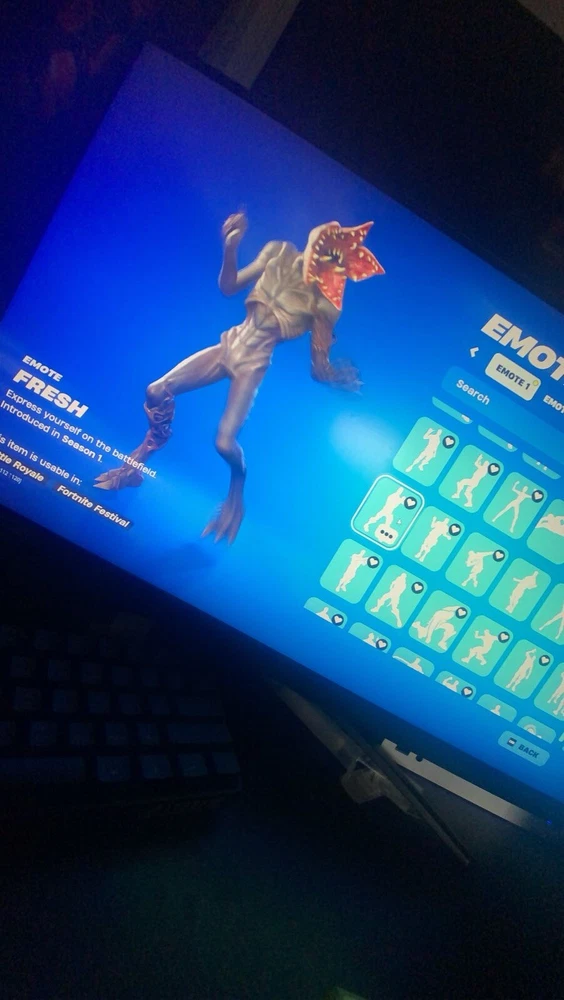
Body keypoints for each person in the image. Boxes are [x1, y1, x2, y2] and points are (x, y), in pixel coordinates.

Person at [94, 212, 383, 542]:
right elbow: (229, 286)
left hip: (253, 363)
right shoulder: (278, 252)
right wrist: (230, 248)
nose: (325, 262)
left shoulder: (323, 304)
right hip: (229, 343)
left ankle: (236, 492)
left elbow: (318, 367)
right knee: (157, 390)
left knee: (224, 443)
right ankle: (143, 455)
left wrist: (333, 373)